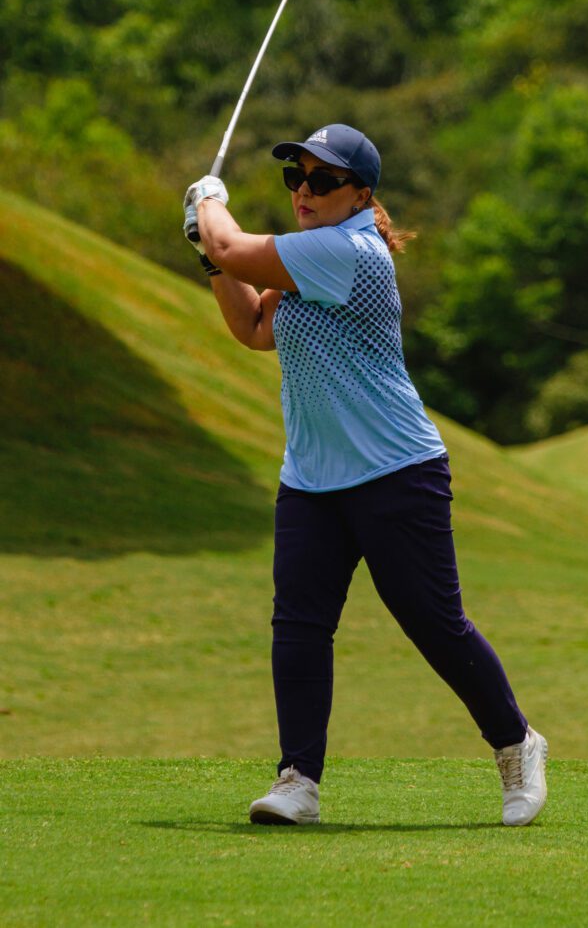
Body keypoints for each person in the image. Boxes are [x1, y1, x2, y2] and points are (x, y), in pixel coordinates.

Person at [183, 123, 548, 827]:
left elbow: (232, 245)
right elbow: (254, 327)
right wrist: (209, 257)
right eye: (296, 178)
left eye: (322, 181)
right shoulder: (307, 255)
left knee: (432, 623)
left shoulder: (350, 253)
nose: (304, 192)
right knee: (299, 625)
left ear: (360, 195)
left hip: (395, 470)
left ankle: (516, 743)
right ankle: (298, 780)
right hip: (312, 478)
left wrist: (209, 205)